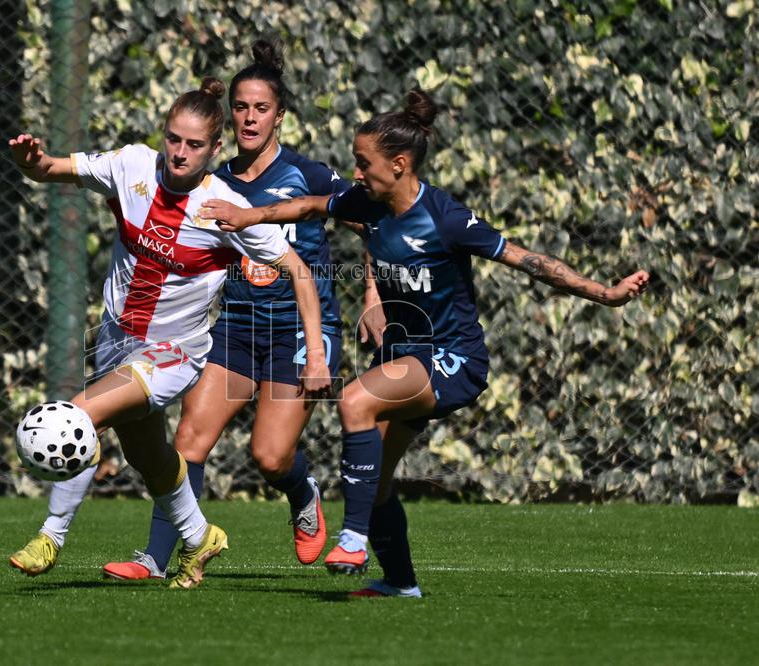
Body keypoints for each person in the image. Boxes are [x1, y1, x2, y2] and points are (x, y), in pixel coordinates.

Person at [202, 88, 651, 597]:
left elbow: (530, 261)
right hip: (403, 356)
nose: (356, 171)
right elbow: (306, 204)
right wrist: (249, 217)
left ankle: (351, 539)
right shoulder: (367, 203)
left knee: (354, 399)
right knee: (375, 481)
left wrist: (605, 293)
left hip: (453, 358)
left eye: (363, 162)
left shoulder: (444, 218)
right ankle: (400, 583)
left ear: (398, 164)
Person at [6, 77, 332, 589]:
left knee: (76, 416)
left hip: (173, 354)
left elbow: (300, 272)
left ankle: (51, 535)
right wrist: (33, 163)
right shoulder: (132, 165)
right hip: (117, 340)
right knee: (152, 458)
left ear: (215, 148)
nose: (180, 153)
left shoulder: (226, 210)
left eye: (195, 145)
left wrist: (316, 353)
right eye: (173, 139)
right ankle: (200, 537)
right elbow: (52, 168)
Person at [101, 38, 356, 581]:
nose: (249, 117)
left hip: (297, 331)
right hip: (237, 327)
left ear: (280, 116)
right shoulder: (212, 182)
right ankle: (156, 557)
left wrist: (374, 299)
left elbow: (379, 216)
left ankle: (303, 492)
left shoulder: (308, 176)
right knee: (189, 440)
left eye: (261, 108)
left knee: (270, 457)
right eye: (240, 107)